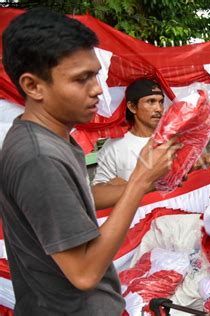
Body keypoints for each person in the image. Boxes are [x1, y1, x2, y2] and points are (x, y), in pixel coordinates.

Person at [0, 8, 179, 315]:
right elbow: (83, 272)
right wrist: (139, 180)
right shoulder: (38, 156)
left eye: (95, 74)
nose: (98, 89)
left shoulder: (55, 141)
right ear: (33, 86)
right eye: (81, 79)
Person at [92, 78, 210, 209]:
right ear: (132, 107)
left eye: (161, 102)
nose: (158, 108)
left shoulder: (174, 138)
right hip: (139, 224)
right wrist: (136, 186)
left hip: (176, 217)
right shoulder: (114, 147)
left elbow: (177, 177)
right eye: (151, 102)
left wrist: (199, 163)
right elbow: (96, 199)